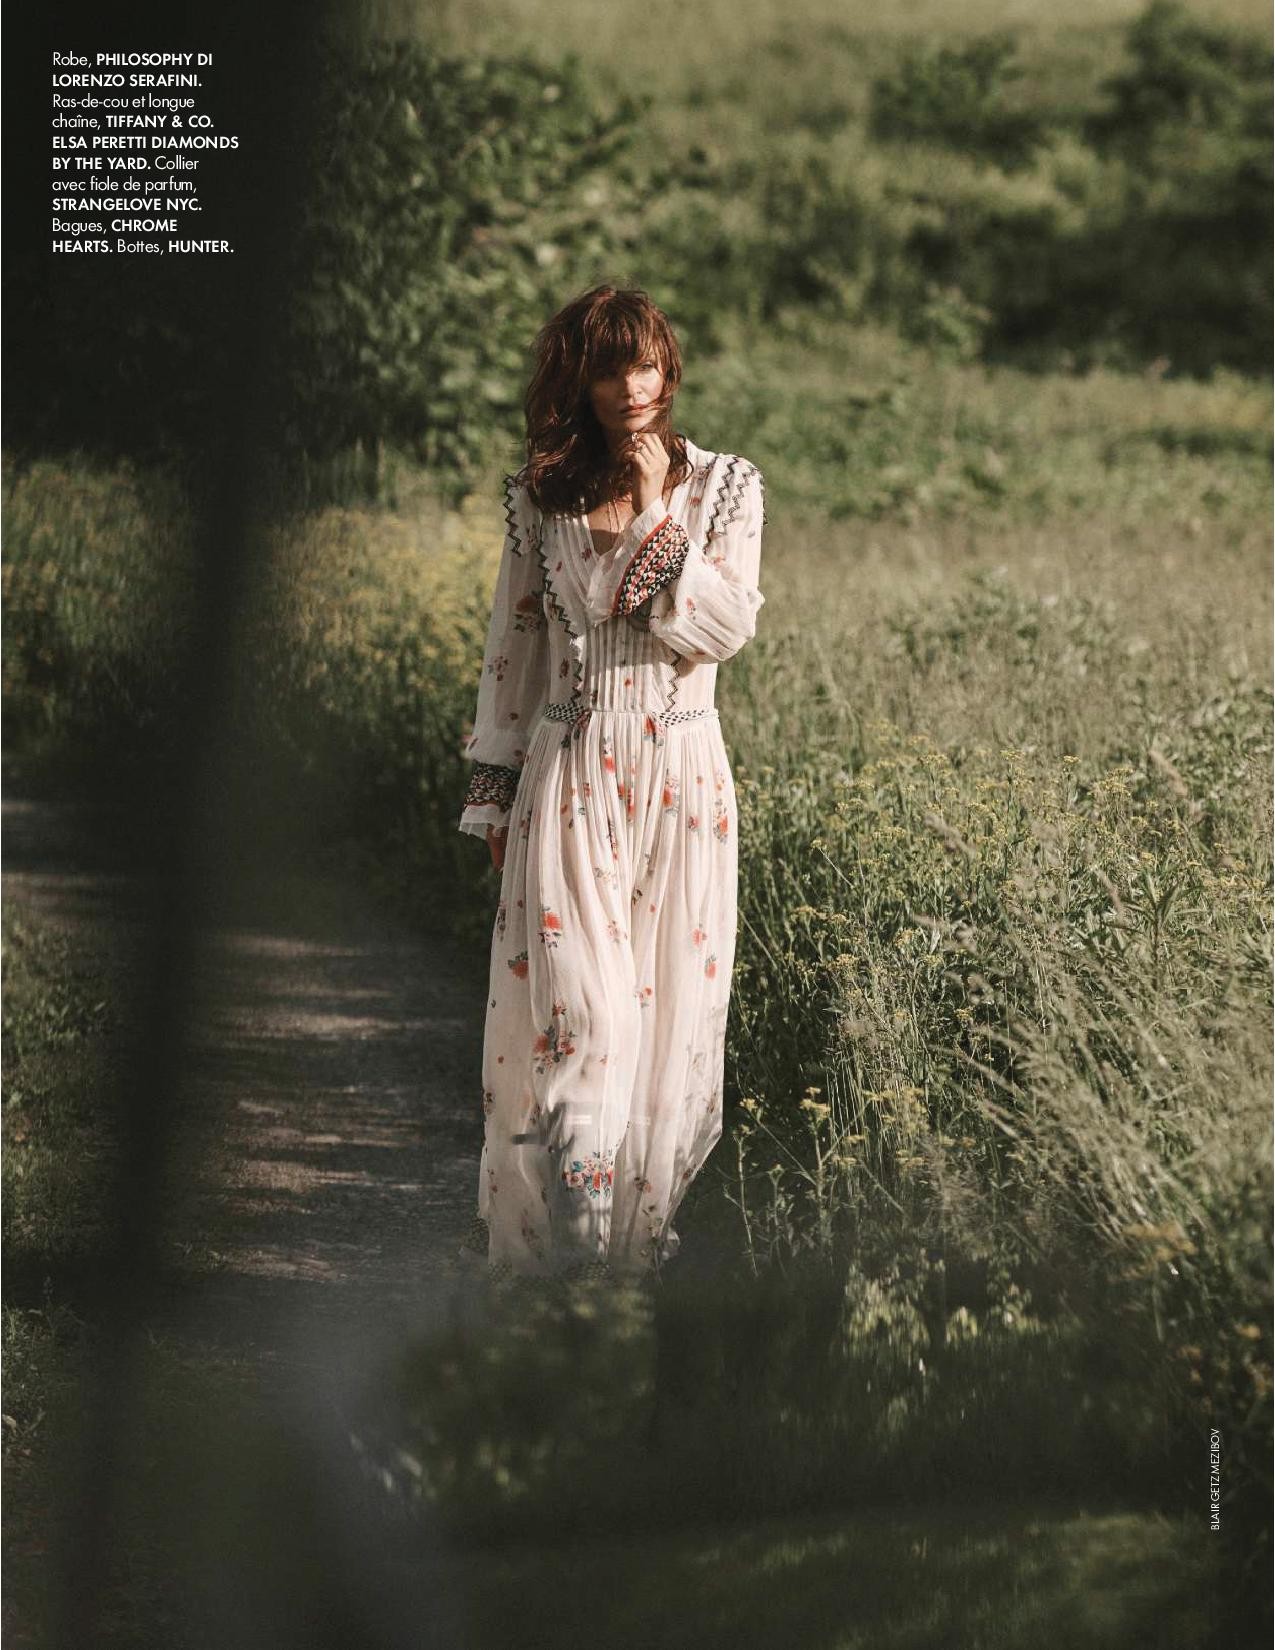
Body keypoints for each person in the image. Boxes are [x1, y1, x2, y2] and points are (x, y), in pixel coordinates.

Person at [458, 282, 767, 1277]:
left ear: (668, 367)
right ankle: (573, 1262)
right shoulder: (538, 494)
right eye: (608, 369)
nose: (631, 386)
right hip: (569, 774)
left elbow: (721, 628)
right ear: (577, 381)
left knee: (668, 1036)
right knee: (580, 1023)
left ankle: (624, 1266)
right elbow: (514, 647)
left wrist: (651, 505)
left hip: (682, 777)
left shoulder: (725, 486)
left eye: (645, 364)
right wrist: (493, 792)